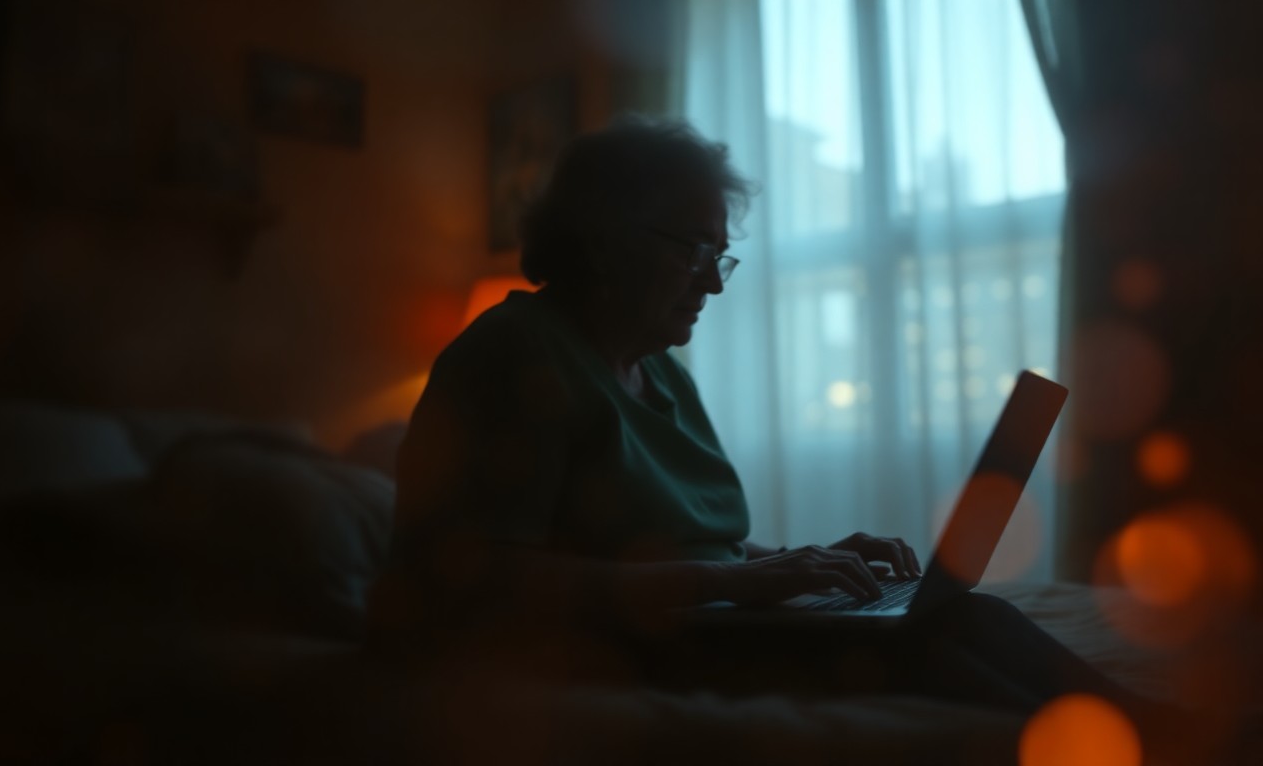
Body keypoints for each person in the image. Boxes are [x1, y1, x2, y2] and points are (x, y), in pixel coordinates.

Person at [384, 115, 1177, 729]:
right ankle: (1165, 737)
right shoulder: (516, 355)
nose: (713, 285)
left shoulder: (660, 370)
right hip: (610, 645)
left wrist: (803, 562)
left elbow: (697, 538)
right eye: (696, 249)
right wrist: (733, 584)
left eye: (719, 256)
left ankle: (1162, 732)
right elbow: (475, 579)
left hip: (700, 621)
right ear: (603, 234)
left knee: (952, 615)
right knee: (942, 637)